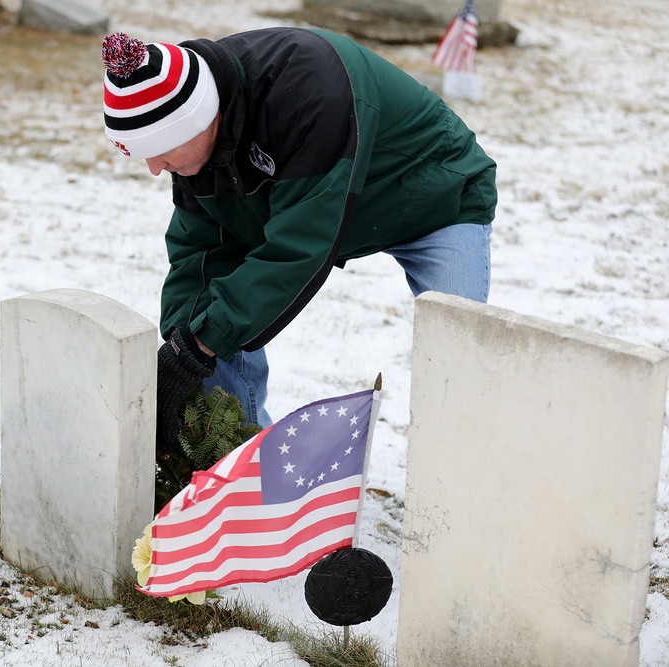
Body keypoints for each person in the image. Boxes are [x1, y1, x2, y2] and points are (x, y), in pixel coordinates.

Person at [100, 28, 497, 449]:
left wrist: (199, 345)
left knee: (459, 348)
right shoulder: (196, 146)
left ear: (199, 121)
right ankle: (239, 461)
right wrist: (184, 345)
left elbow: (300, 250)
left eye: (160, 150)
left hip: (435, 197)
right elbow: (198, 256)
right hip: (327, 204)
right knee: (206, 331)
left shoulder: (310, 92)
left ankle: (461, 475)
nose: (155, 169)